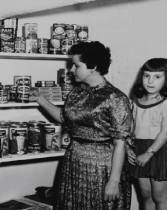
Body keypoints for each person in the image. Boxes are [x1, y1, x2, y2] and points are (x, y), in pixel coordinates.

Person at [30, 41, 133, 210]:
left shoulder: (115, 98)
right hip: (74, 161)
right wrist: (40, 99)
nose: (71, 70)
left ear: (92, 66)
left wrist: (114, 181)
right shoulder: (77, 92)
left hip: (101, 168)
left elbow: (120, 143)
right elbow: (64, 117)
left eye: (76, 65)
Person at [126, 58, 167, 210]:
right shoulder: (137, 99)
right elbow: (130, 127)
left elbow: (166, 131)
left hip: (160, 149)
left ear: (166, 78)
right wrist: (127, 147)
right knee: (145, 193)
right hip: (140, 147)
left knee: (159, 196)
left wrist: (149, 154)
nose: (150, 81)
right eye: (146, 75)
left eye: (157, 76)